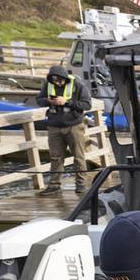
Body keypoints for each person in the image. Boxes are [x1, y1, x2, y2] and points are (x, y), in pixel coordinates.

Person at [37, 64, 92, 196]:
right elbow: (39, 100)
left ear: (65, 78)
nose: (58, 83)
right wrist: (49, 101)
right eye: (55, 80)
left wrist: (66, 102)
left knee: (79, 157)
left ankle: (81, 185)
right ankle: (54, 185)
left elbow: (87, 104)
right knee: (55, 157)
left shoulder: (78, 86)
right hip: (54, 126)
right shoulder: (48, 85)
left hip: (74, 126)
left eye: (60, 80)